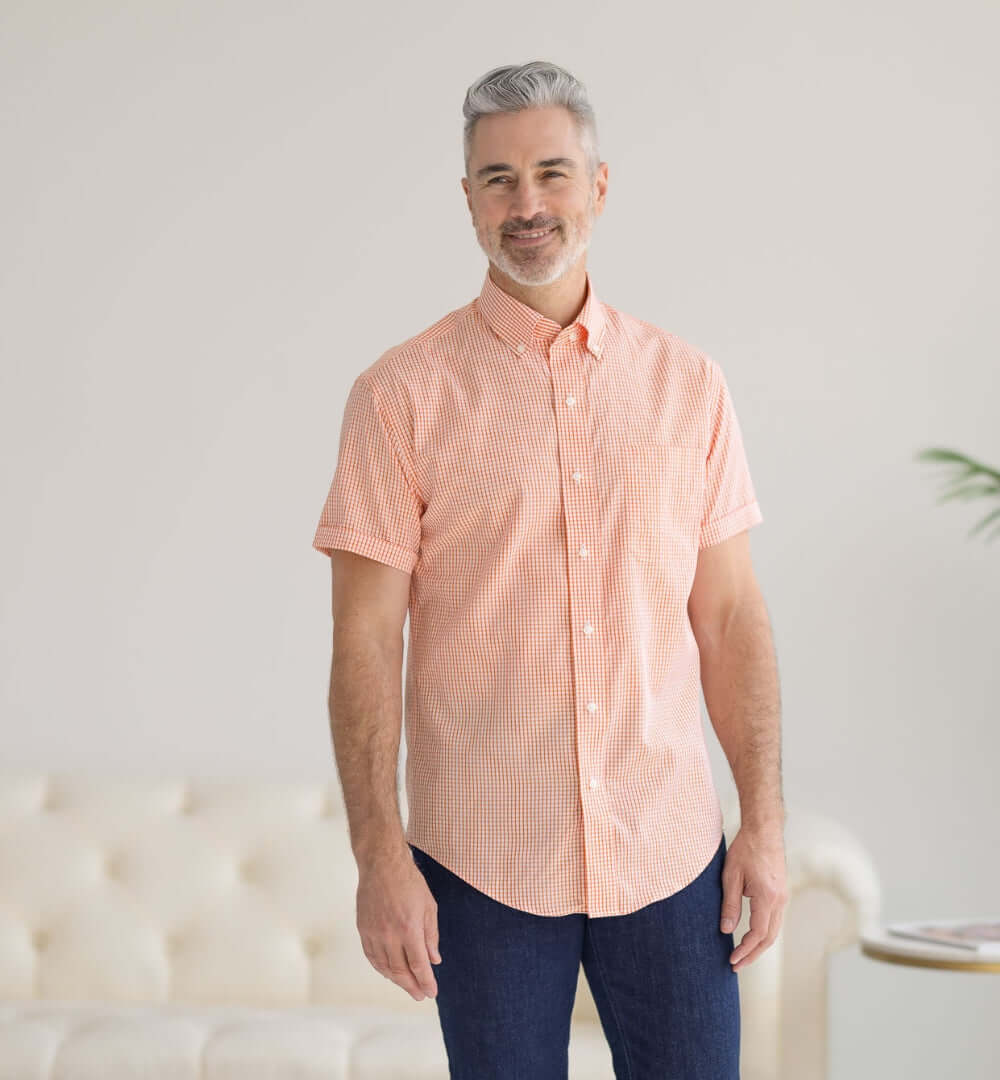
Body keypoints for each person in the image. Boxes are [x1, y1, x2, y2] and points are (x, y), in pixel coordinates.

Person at [312, 59, 787, 1080]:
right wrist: (377, 856)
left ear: (600, 186)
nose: (527, 204)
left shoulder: (689, 387)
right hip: (480, 869)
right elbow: (362, 640)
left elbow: (733, 616)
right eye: (498, 179)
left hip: (671, 854)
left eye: (552, 173)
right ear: (468, 200)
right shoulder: (399, 396)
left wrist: (767, 825)